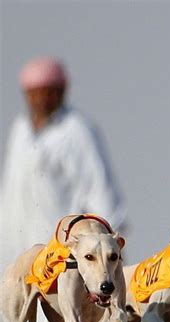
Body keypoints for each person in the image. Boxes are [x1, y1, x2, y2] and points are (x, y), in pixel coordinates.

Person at [1, 56, 127, 268]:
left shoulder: (76, 131)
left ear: (62, 91)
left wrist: (107, 252)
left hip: (61, 253)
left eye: (48, 91)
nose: (41, 99)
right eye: (34, 93)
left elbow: (100, 191)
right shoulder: (20, 129)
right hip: (15, 251)